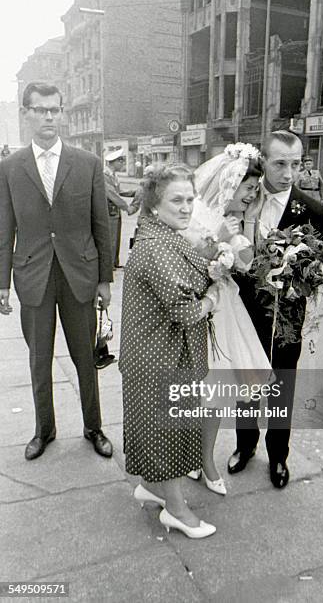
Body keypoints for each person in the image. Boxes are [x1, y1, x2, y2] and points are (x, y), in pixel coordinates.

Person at [0, 82, 113, 461]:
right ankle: (43, 430)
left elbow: (101, 224)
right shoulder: (10, 168)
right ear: (26, 113)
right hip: (33, 276)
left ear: (61, 112)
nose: (49, 116)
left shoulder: (87, 164)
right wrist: (2, 284)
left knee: (85, 357)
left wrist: (104, 279)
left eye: (55, 109)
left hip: (79, 275)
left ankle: (93, 427)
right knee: (39, 360)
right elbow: (5, 229)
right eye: (40, 109)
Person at [119, 164, 219, 539]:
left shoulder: (164, 235)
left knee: (157, 428)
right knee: (167, 432)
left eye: (190, 199)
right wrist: (211, 298)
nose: (186, 207)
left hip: (155, 354)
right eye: (176, 200)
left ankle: (151, 487)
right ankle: (176, 511)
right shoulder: (157, 246)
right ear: (154, 204)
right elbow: (185, 310)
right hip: (159, 358)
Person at [228, 130, 323, 488]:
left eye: (296, 164)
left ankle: (279, 456)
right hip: (244, 314)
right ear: (264, 162)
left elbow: (319, 267)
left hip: (286, 318)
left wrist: (297, 275)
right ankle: (245, 446)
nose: (289, 173)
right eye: (280, 163)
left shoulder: (313, 210)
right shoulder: (242, 200)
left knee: (281, 388)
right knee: (246, 386)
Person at [181, 143, 272, 495]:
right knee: (193, 394)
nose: (252, 195)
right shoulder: (197, 213)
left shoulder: (237, 221)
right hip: (197, 314)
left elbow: (248, 262)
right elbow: (183, 261)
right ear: (231, 183)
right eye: (249, 188)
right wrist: (218, 241)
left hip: (222, 315)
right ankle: (190, 458)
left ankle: (205, 461)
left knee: (216, 393)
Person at [104, 148, 135, 269]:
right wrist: (127, 208)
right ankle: (109, 264)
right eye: (120, 162)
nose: (122, 164)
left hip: (114, 211)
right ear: (113, 162)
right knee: (110, 238)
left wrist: (134, 192)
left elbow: (119, 191)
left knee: (116, 236)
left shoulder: (114, 176)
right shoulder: (104, 175)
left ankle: (115, 262)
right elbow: (112, 194)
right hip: (107, 210)